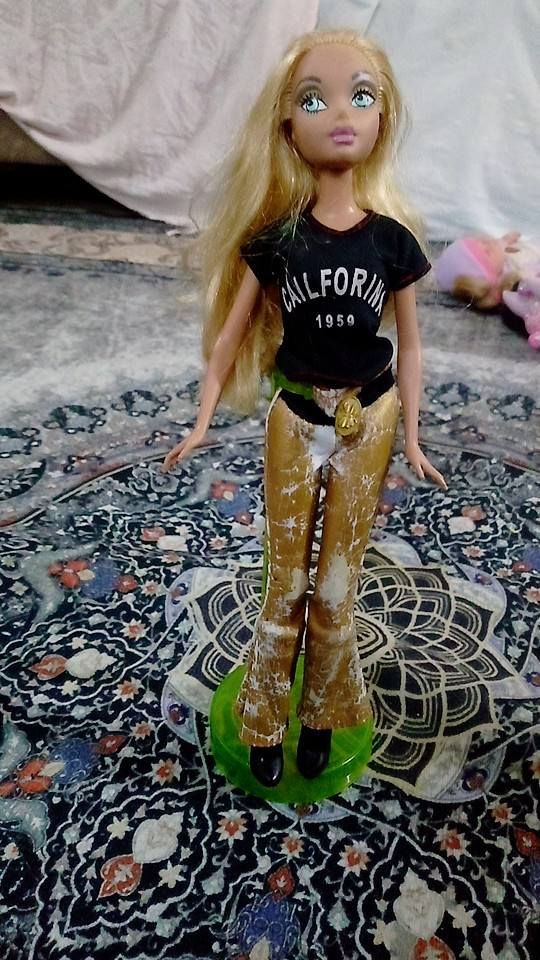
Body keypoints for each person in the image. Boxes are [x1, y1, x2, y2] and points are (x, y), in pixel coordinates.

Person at [162, 29, 447, 788]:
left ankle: (321, 715)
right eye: (314, 100)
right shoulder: (278, 242)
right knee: (283, 583)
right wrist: (201, 419)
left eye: (362, 95)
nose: (341, 114)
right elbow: (229, 338)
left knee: (336, 586)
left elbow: (411, 347)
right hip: (295, 418)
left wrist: (414, 437)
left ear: (384, 116)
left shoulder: (392, 243)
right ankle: (263, 717)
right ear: (288, 123)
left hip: (368, 419)